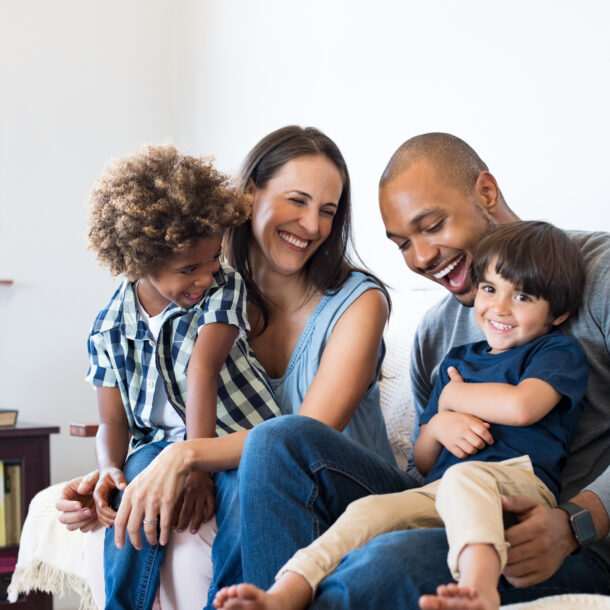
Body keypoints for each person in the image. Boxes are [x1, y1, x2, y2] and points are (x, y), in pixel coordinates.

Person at [231, 133, 610, 608]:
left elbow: (523, 408)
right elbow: (424, 469)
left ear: (486, 194)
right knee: (277, 439)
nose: (421, 258)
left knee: (385, 563)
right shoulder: (437, 333)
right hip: (447, 500)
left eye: (432, 226)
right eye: (402, 244)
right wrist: (438, 425)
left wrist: (576, 523)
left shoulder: (601, 273)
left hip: (563, 538)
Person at [57, 126, 399, 608]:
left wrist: (188, 456)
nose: (312, 225)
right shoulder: (203, 292)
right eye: (297, 201)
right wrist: (114, 473)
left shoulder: (357, 303)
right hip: (252, 472)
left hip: (342, 488)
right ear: (248, 194)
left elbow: (305, 437)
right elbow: (156, 405)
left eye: (327, 210)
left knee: (261, 461)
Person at [84, 144, 282, 609]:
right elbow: (113, 421)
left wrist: (195, 464)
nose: (205, 275)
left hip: (237, 437)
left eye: (213, 257)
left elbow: (202, 369)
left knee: (241, 497)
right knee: (135, 488)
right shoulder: (109, 326)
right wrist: (110, 468)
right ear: (138, 261)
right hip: (156, 446)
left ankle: (231, 601)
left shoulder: (223, 286)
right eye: (188, 269)